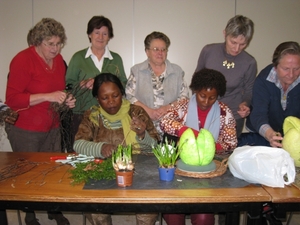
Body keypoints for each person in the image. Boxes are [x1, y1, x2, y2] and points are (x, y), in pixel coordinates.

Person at [5, 18, 75, 225]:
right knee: (29, 173)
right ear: (37, 42)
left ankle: (53, 209)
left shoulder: (59, 60)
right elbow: (13, 99)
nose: (55, 48)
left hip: (51, 126)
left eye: (59, 43)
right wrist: (47, 96)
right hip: (26, 129)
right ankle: (29, 213)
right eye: (50, 44)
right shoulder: (22, 60)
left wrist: (66, 100)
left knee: (51, 171)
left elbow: (59, 92)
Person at [74, 73, 160, 225]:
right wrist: (101, 148)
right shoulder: (93, 116)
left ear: (122, 94)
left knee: (147, 210)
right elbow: (78, 144)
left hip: (137, 172)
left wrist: (142, 134)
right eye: (105, 98)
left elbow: (155, 148)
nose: (111, 102)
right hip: (102, 173)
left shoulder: (136, 112)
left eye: (115, 95)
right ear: (97, 99)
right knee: (96, 212)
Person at [160, 68, 237, 225]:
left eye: (212, 98)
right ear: (195, 90)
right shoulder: (183, 106)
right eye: (202, 96)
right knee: (173, 215)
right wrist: (191, 132)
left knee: (204, 217)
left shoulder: (224, 112)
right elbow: (165, 122)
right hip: (181, 168)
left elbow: (231, 143)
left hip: (211, 169)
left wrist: (207, 145)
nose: (206, 102)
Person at [66, 15, 127, 143]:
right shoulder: (78, 58)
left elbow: (124, 85)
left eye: (105, 34)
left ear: (109, 37)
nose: (100, 37)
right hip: (81, 115)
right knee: (82, 153)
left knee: (108, 152)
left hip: (110, 117)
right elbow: (67, 85)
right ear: (89, 34)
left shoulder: (115, 59)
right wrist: (82, 84)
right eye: (97, 32)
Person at [195, 15, 257, 137]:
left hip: (233, 115)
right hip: (205, 111)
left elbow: (249, 90)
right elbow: (196, 82)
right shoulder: (208, 51)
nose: (237, 48)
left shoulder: (249, 62)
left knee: (227, 153)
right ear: (225, 34)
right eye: (233, 42)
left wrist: (245, 104)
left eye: (243, 44)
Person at [125, 31, 189, 141]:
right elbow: (129, 96)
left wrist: (167, 108)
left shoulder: (177, 71)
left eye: (163, 49)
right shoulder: (137, 71)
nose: (160, 53)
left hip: (171, 131)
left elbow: (184, 98)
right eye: (156, 49)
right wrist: (148, 111)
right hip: (143, 128)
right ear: (147, 52)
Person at [238, 41, 300, 147]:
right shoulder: (263, 81)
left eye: (297, 69)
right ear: (275, 66)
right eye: (286, 69)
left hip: (294, 136)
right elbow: (258, 115)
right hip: (263, 133)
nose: (291, 74)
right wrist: (270, 135)